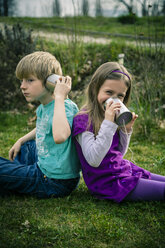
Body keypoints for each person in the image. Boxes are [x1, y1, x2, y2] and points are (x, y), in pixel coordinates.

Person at [72, 61, 165, 202]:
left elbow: (119, 153)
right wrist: (108, 123)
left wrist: (126, 131)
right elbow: (93, 160)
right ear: (95, 89)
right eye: (109, 92)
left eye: (120, 96)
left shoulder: (114, 115)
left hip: (122, 170)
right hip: (107, 182)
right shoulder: (83, 119)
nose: (113, 99)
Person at [0, 51, 81, 198]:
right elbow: (43, 126)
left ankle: (13, 180)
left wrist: (59, 96)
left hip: (54, 181)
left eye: (30, 80)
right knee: (26, 147)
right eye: (22, 80)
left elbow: (60, 136)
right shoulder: (44, 106)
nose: (22, 86)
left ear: (51, 81)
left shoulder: (64, 106)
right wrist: (21, 140)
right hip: (44, 166)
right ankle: (15, 179)